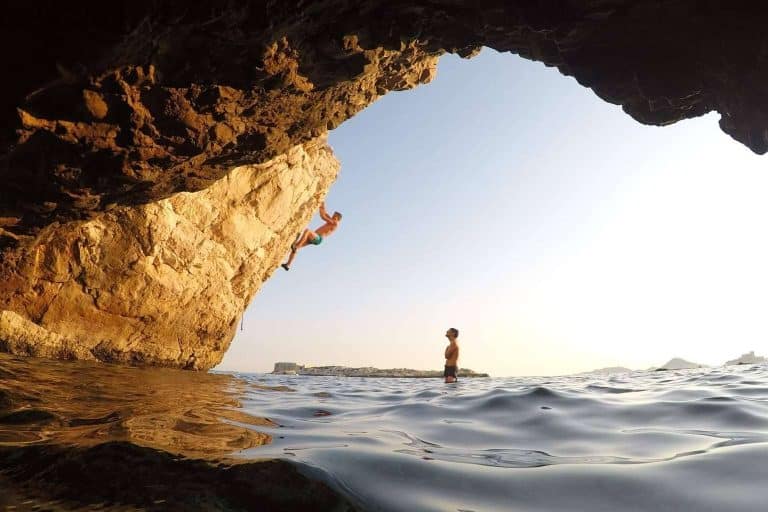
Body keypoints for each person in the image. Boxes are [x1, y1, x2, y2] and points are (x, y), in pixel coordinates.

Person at [281, 202, 342, 270]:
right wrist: (322, 205)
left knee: (307, 231)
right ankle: (288, 265)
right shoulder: (331, 221)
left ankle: (296, 247)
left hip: (318, 238)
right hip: (313, 237)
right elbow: (324, 213)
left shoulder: (335, 223)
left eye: (334, 216)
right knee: (296, 246)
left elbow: (323, 216)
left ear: (338, 218)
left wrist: (321, 207)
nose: (332, 217)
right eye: (333, 215)